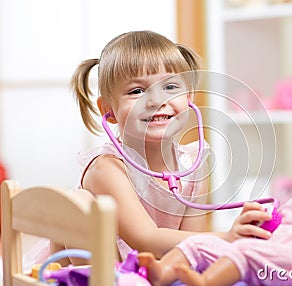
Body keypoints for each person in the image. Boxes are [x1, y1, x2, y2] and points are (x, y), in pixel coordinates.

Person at [66, 30, 272, 262]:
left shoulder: (194, 165)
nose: (156, 100)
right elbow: (146, 240)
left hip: (154, 271)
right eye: (137, 91)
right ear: (108, 110)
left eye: (171, 87)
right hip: (99, 274)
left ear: (189, 96)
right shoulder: (107, 169)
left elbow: (191, 248)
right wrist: (227, 238)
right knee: (80, 204)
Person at [137, 113, 292, 286]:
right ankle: (163, 273)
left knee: (246, 251)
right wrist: (262, 225)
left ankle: (206, 282)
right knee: (199, 243)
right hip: (272, 254)